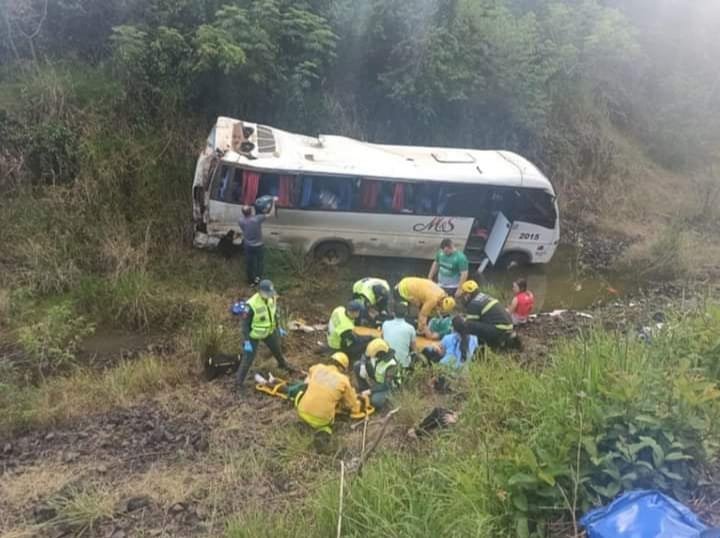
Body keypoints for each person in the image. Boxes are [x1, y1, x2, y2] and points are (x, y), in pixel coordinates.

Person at [255, 352, 360, 435]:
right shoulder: (343, 380)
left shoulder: (318, 367)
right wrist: (355, 407)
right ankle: (325, 431)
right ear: (342, 368)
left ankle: (272, 382)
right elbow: (352, 405)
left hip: (301, 411)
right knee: (325, 420)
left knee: (300, 388)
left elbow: (308, 378)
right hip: (321, 421)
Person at [236, 279, 295, 391]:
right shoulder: (251, 305)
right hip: (253, 335)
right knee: (248, 358)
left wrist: (278, 328)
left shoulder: (271, 299)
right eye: (267, 293)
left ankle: (283, 365)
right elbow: (245, 325)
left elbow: (273, 315)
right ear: (260, 292)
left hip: (269, 332)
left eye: (270, 293)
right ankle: (238, 383)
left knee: (277, 349)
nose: (269, 296)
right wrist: (247, 341)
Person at [458, 280, 514, 347]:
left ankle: (477, 344)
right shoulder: (484, 296)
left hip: (499, 329)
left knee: (469, 324)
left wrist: (462, 320)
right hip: (508, 325)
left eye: (463, 294)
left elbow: (471, 323)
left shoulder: (473, 304)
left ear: (468, 295)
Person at [238, 196, 277, 286]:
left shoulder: (240, 221)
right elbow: (271, 214)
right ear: (251, 211)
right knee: (260, 262)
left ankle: (250, 281)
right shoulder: (257, 219)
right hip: (258, 245)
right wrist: (274, 202)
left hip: (248, 246)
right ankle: (258, 278)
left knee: (249, 264)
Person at [354, 339, 401, 408]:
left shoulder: (391, 365)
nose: (372, 357)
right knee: (357, 365)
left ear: (379, 354)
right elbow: (365, 355)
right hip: (378, 377)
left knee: (376, 400)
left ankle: (385, 400)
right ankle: (363, 390)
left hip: (389, 387)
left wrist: (370, 390)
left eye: (374, 356)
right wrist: (362, 365)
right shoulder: (377, 350)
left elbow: (386, 385)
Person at [381, 302, 416, 368]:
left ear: (393, 313)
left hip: (386, 363)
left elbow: (382, 339)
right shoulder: (410, 328)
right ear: (406, 313)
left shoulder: (385, 324)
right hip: (403, 365)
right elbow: (414, 349)